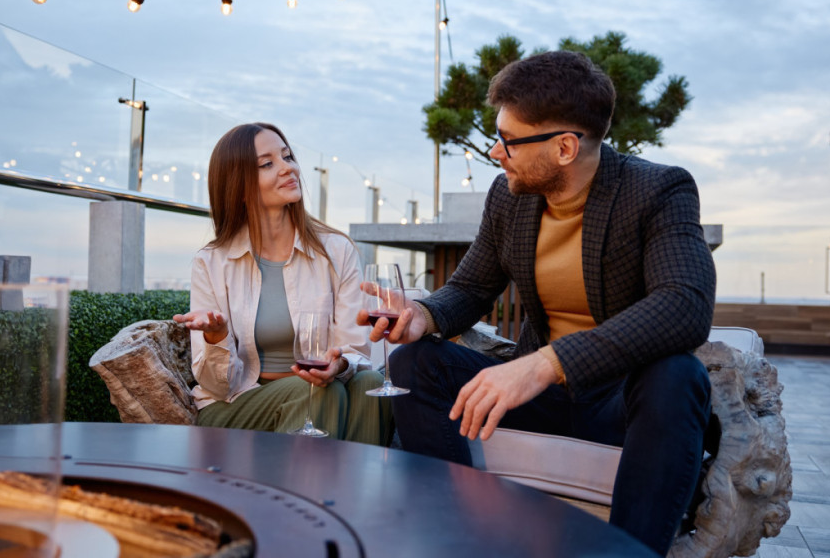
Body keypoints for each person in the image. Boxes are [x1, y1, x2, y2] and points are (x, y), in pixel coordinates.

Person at [359, 51, 716, 555]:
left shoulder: (658, 190)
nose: (494, 151)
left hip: (620, 399)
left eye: (507, 140)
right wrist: (424, 314)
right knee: (416, 362)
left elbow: (685, 306)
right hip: (541, 400)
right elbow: (470, 288)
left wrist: (545, 365)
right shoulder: (509, 196)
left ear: (566, 147)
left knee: (677, 376)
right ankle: (458, 536)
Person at [174, 122, 390, 445]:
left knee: (371, 383)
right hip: (236, 404)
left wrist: (339, 363)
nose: (288, 168)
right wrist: (216, 337)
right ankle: (308, 492)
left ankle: (351, 492)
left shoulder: (336, 250)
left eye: (287, 157)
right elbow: (219, 386)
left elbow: (356, 349)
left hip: (319, 390)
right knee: (317, 391)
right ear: (240, 186)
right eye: (268, 164)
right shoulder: (212, 262)